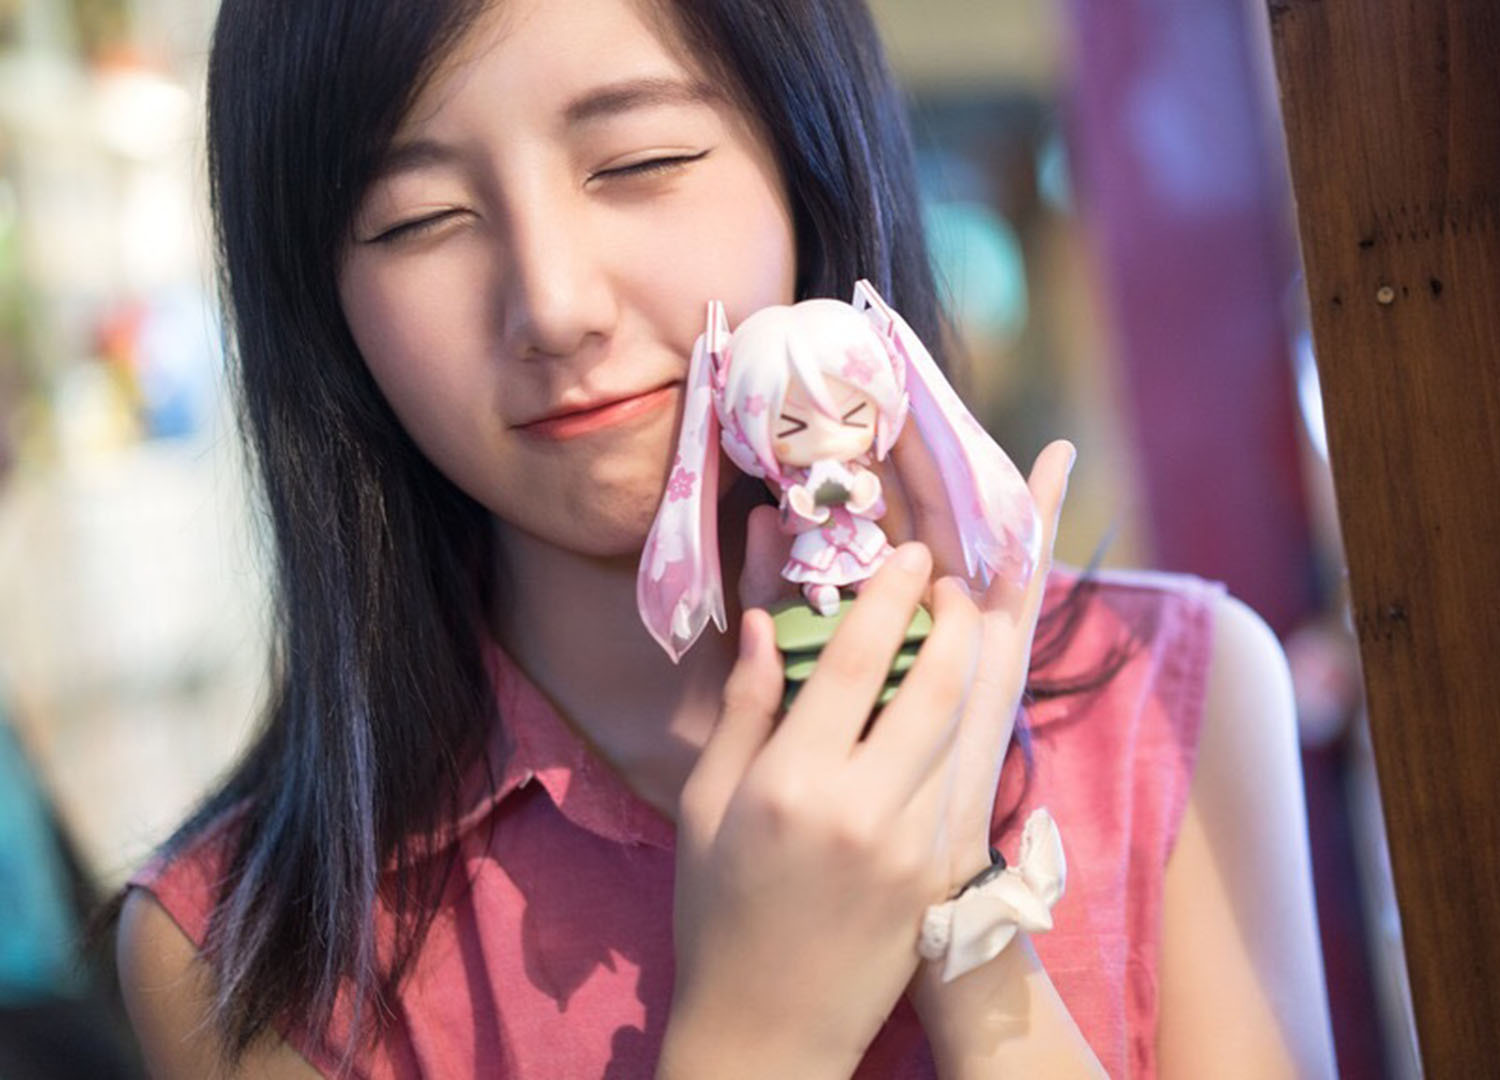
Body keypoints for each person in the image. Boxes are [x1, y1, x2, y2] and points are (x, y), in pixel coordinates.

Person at [113, 0, 1337, 1076]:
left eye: (639, 161)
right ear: (319, 304)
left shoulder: (1172, 699)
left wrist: (961, 927)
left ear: (807, 155)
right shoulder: (231, 954)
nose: (555, 307)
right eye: (420, 218)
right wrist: (759, 1035)